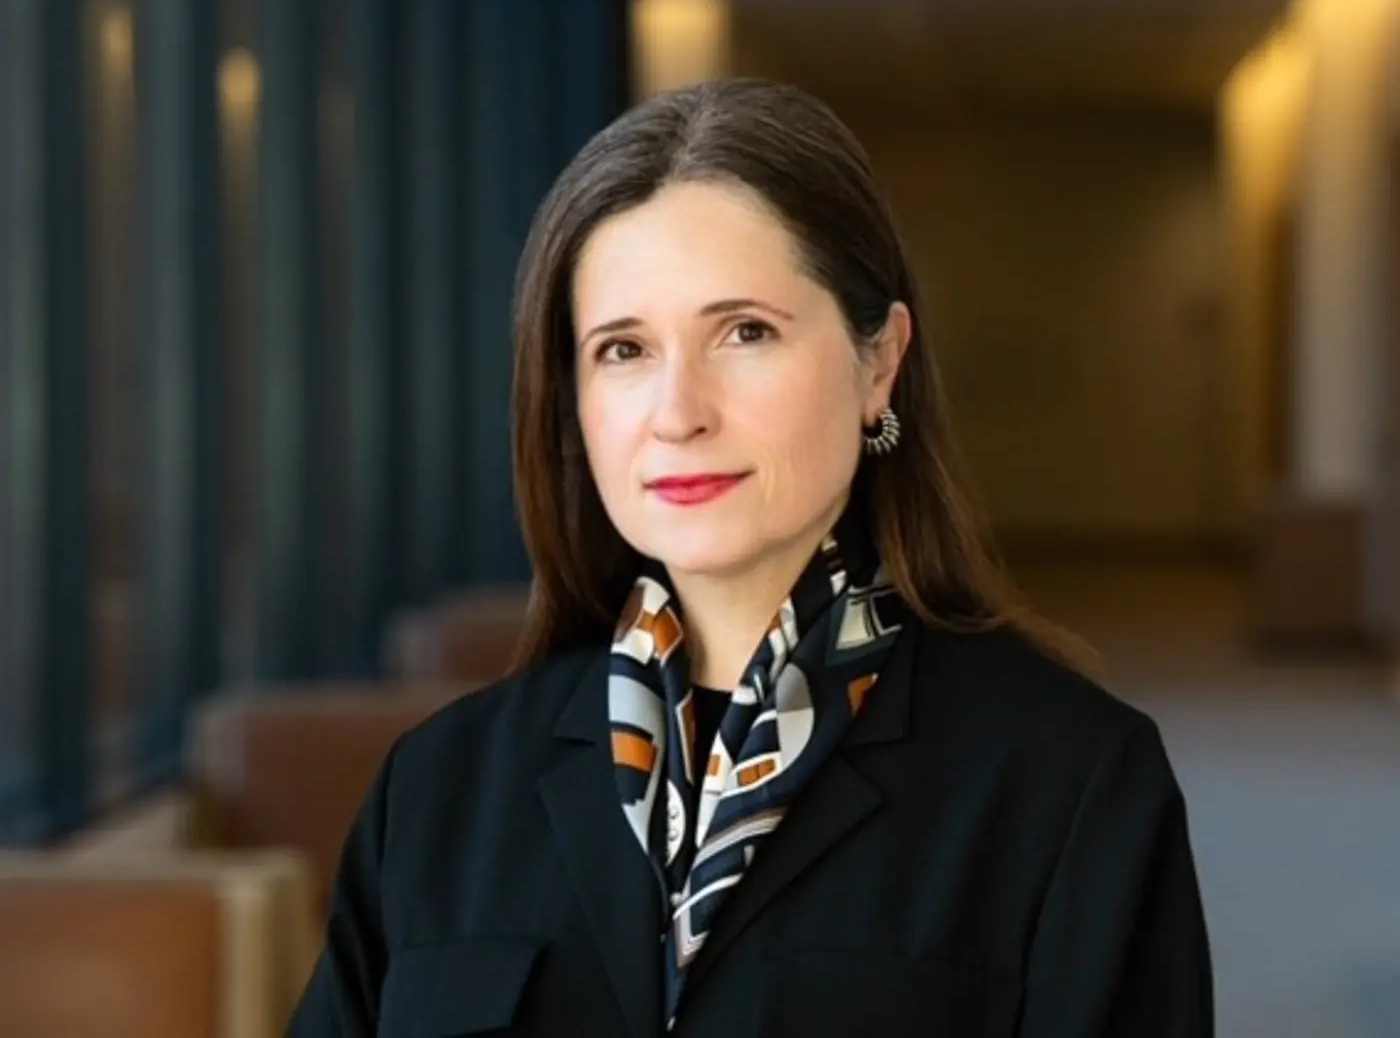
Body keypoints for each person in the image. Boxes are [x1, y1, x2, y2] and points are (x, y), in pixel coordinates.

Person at [287, 77, 1212, 1037]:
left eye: (745, 332)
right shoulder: (436, 794)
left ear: (879, 362)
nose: (679, 411)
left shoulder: (1069, 787)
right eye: (623, 350)